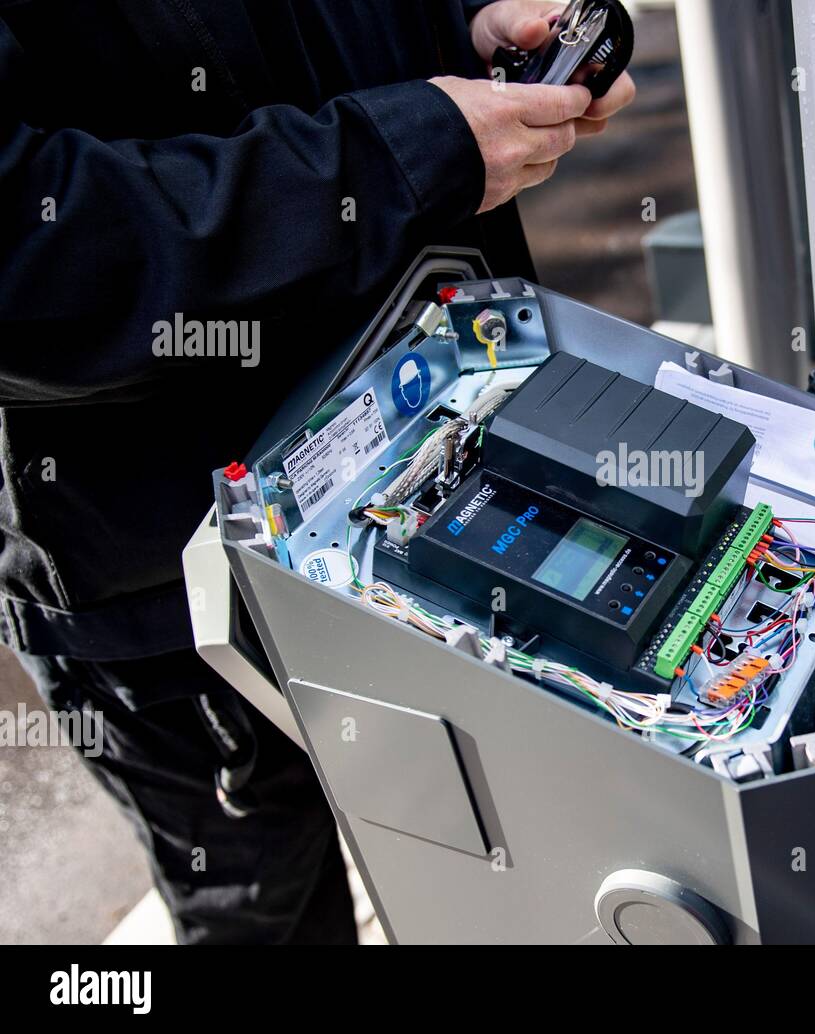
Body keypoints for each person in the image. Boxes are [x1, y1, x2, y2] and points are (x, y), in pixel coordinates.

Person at [0, 0, 634, 942]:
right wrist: (400, 158)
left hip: (440, 458)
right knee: (271, 910)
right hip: (180, 584)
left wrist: (474, 30)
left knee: (518, 868)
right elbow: (27, 246)